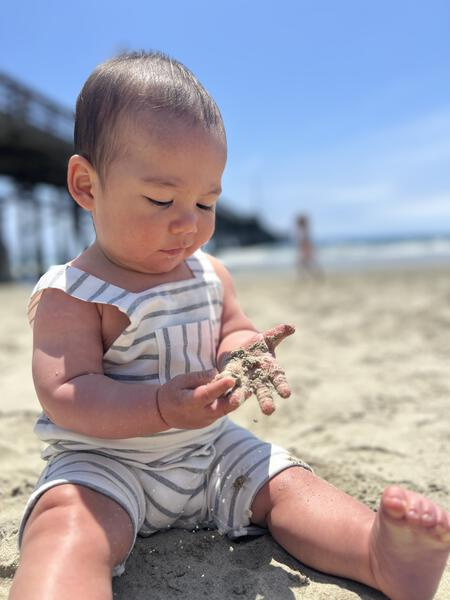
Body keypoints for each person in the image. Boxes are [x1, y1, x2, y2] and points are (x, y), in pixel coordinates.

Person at [9, 51, 450, 600]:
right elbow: (65, 394)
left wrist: (246, 352)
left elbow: (232, 331)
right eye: (161, 198)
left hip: (211, 450)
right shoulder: (72, 293)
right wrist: (158, 408)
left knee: (291, 485)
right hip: (105, 465)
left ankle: (378, 555)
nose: (189, 222)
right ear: (86, 186)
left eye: (206, 201)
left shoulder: (210, 274)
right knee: (64, 525)